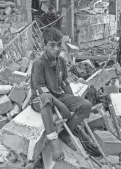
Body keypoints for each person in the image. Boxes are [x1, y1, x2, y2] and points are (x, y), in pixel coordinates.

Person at [30, 28, 91, 161]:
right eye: (52, 45)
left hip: (57, 96)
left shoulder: (61, 61)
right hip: (40, 100)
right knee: (45, 97)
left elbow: (63, 82)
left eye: (59, 44)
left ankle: (65, 133)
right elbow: (40, 90)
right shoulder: (38, 64)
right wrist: (62, 106)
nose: (57, 48)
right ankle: (54, 141)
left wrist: (73, 100)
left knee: (86, 105)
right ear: (45, 45)